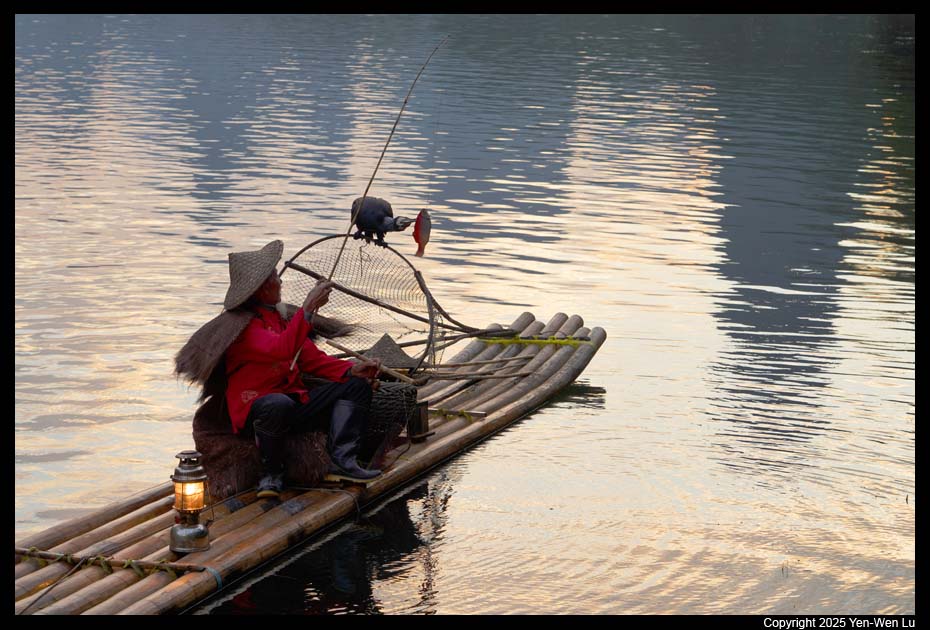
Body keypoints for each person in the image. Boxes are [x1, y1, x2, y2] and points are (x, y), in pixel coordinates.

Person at [221, 240, 383, 498]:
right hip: (259, 410)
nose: (280, 282)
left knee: (355, 387)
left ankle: (343, 461)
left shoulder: (278, 318)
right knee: (276, 403)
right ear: (262, 288)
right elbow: (281, 349)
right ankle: (271, 473)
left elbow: (311, 359)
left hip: (292, 401)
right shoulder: (244, 327)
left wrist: (352, 370)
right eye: (276, 277)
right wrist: (308, 307)